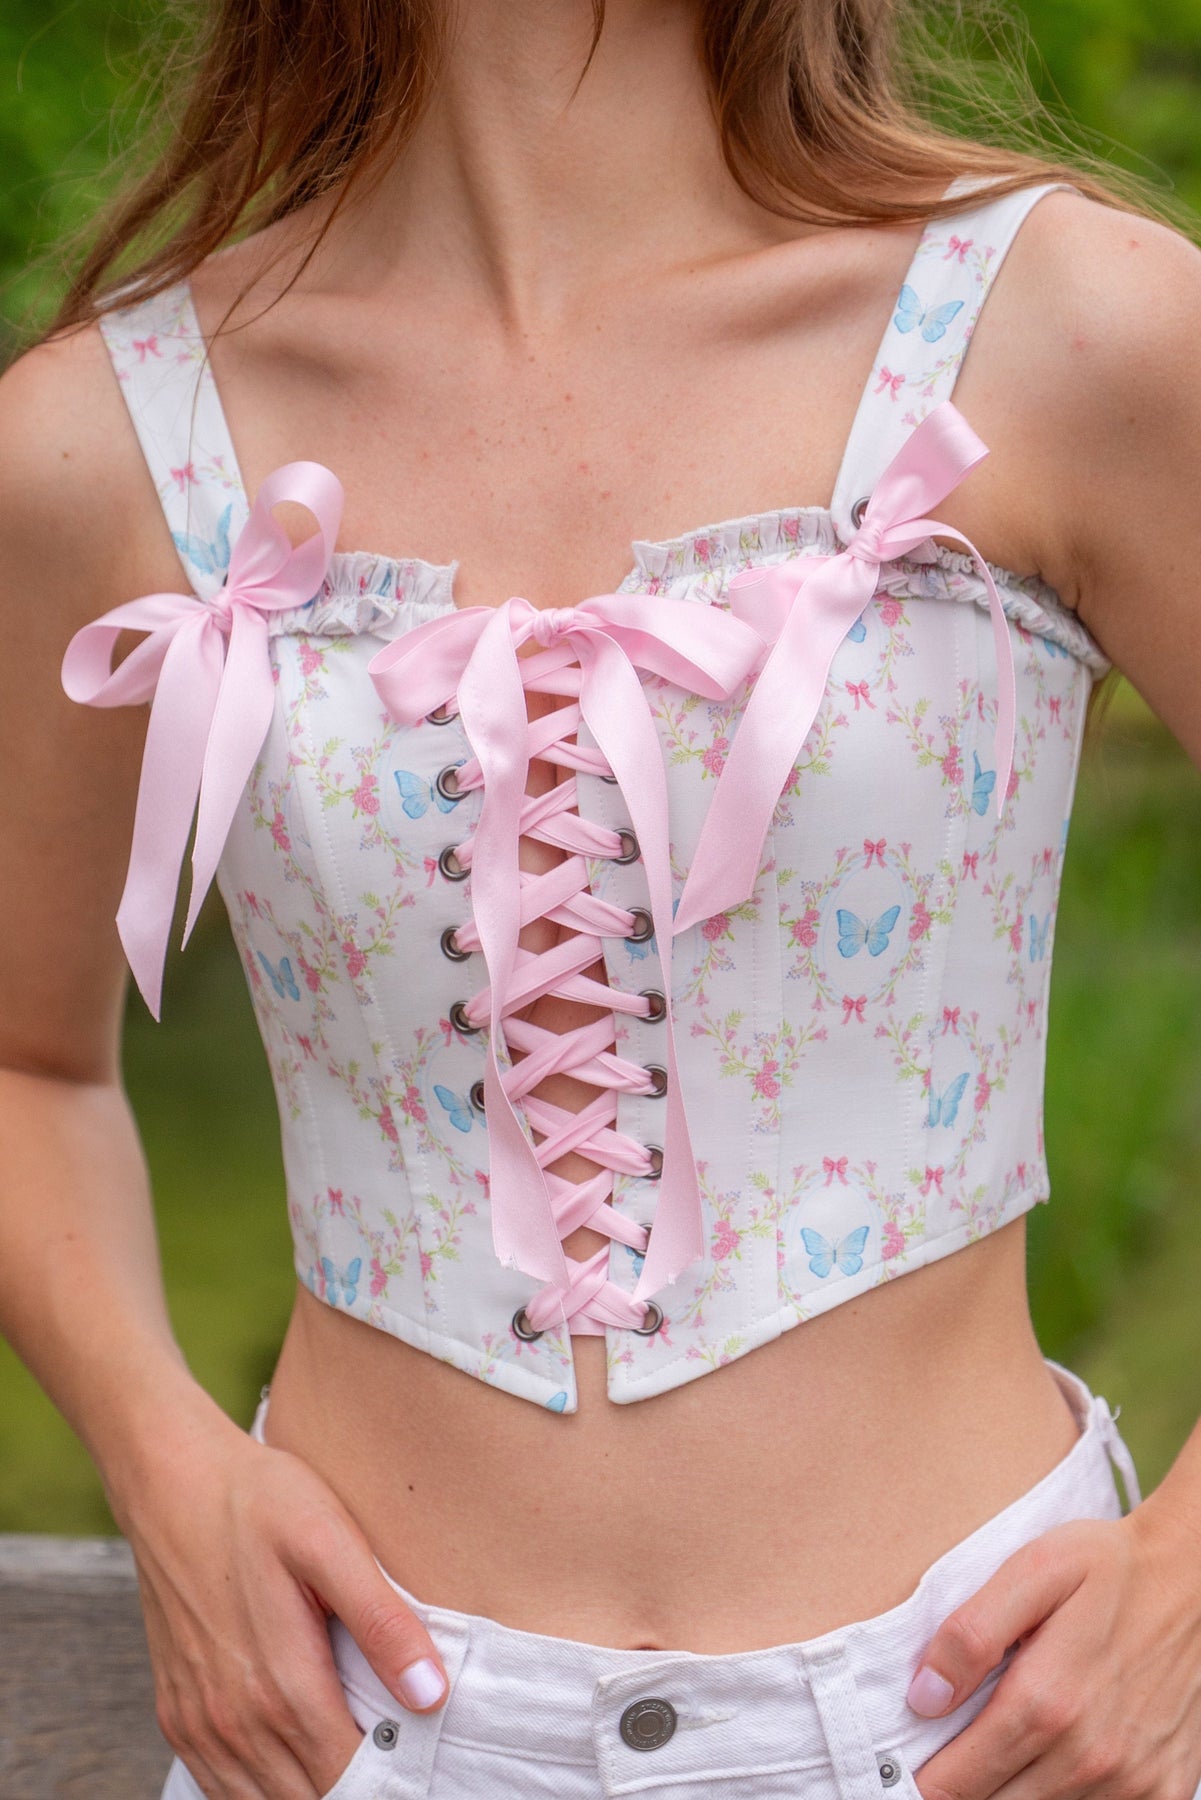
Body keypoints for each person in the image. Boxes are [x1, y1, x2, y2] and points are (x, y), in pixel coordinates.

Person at [2, 2, 1201, 1797]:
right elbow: (24, 1061)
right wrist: (164, 1468)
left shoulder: (1071, 329)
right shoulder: (102, 438)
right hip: (349, 1736)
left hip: (993, 1726)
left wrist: (1186, 1579)